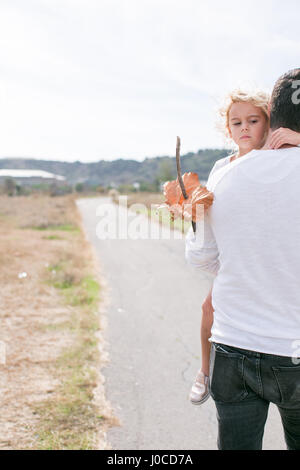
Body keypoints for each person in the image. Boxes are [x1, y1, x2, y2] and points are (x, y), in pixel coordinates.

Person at [185, 68, 300, 450]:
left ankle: (205, 371)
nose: (245, 128)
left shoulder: (228, 176)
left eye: (254, 120)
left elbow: (201, 257)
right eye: (238, 122)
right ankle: (202, 371)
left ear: (272, 117)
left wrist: (246, 263)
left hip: (234, 346)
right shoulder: (223, 167)